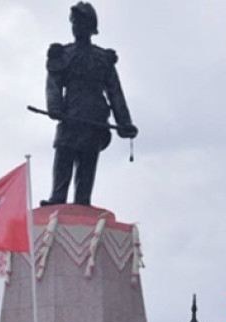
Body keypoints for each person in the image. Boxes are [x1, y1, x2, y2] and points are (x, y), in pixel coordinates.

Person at [42, 2, 138, 207]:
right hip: (70, 115)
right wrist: (54, 107)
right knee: (64, 155)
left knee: (87, 164)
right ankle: (57, 198)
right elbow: (53, 83)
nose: (76, 26)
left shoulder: (103, 58)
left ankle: (82, 203)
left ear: (90, 26)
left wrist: (124, 122)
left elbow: (115, 92)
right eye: (74, 22)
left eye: (80, 22)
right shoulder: (63, 54)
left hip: (95, 118)